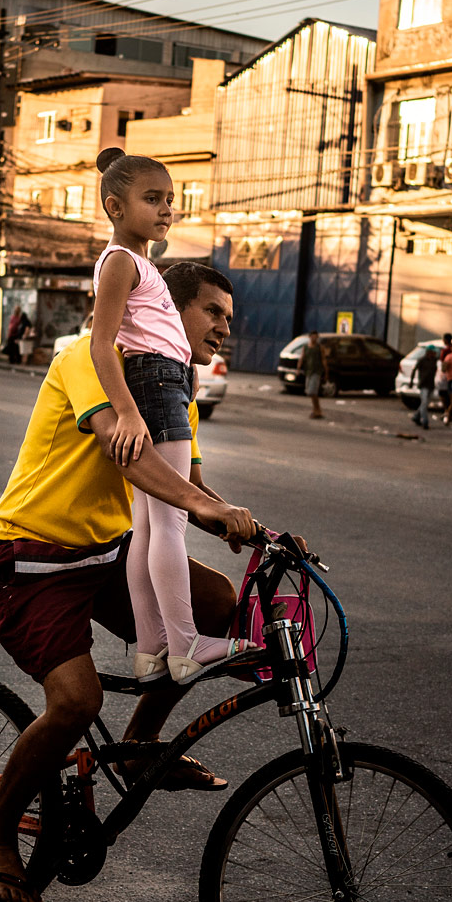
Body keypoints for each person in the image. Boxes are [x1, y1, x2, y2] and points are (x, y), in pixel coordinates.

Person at [0, 260, 257, 902]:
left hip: (102, 553)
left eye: (229, 320)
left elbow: (192, 484)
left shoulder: (172, 385)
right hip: (29, 555)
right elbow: (130, 454)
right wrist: (208, 512)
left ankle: (138, 747)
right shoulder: (86, 361)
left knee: (215, 603)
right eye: (212, 312)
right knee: (75, 701)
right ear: (160, 306)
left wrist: (255, 525)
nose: (222, 329)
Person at [87, 147, 263, 688]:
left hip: (164, 382)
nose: (167, 210)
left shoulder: (142, 265)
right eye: (152, 199)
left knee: (149, 525)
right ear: (115, 207)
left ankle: (151, 646)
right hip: (156, 384)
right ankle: (186, 645)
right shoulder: (122, 262)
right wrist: (127, 412)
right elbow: (100, 343)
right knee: (167, 523)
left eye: (171, 200)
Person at [410, 341, 440, 430]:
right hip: (423, 384)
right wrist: (411, 382)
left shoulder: (435, 360)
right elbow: (414, 370)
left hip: (431, 384)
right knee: (424, 403)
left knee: (425, 403)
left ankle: (416, 416)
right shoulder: (422, 360)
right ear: (428, 352)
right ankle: (425, 421)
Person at [301, 331, 326, 419]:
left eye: (316, 337)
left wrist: (326, 371)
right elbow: (302, 357)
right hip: (309, 371)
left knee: (313, 392)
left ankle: (317, 411)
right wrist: (298, 368)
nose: (314, 338)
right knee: (309, 392)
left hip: (317, 371)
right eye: (313, 337)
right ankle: (316, 410)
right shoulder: (306, 347)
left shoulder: (319, 347)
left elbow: (323, 359)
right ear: (310, 337)